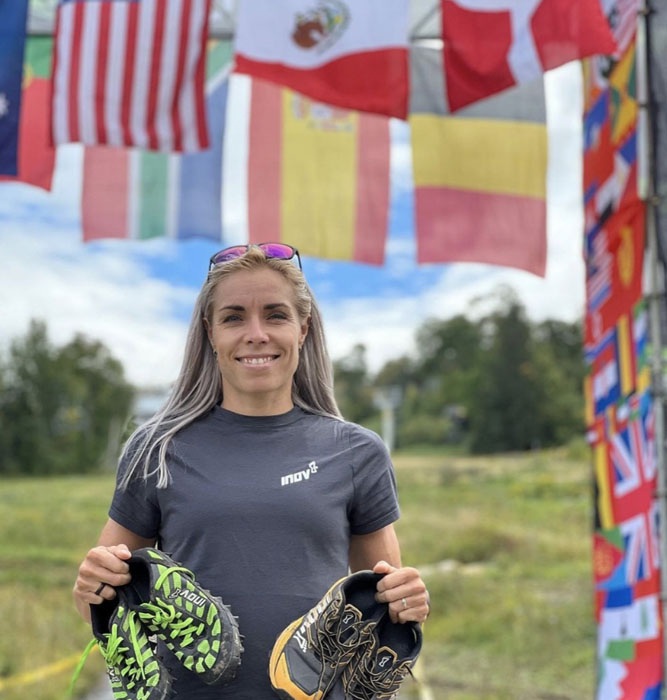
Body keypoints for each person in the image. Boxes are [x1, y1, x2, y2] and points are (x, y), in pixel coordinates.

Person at [73, 243, 430, 700]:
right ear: (210, 333)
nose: (256, 334)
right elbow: (99, 607)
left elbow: (381, 603)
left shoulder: (357, 452)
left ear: (303, 328)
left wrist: (407, 601)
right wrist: (92, 585)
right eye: (234, 317)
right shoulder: (157, 449)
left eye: (276, 315)